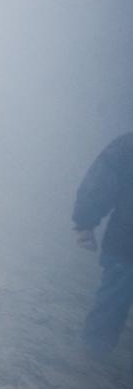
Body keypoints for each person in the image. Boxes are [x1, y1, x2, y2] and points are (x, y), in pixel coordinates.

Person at [73, 131, 133, 361]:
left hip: (126, 242)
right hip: (127, 243)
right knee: (113, 300)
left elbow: (101, 181)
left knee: (111, 303)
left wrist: (85, 222)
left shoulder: (128, 143)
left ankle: (91, 359)